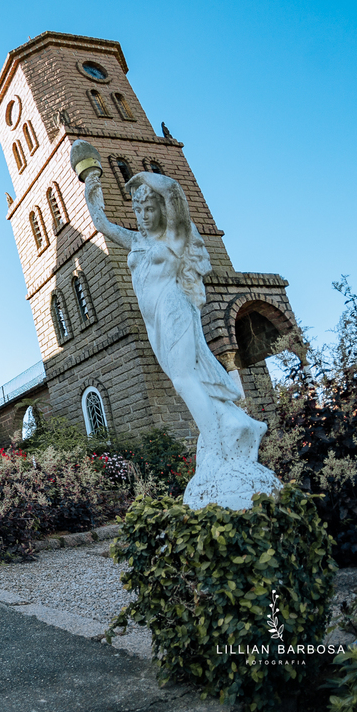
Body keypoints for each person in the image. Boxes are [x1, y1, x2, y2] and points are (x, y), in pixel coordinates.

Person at [82, 168, 279, 508]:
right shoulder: (137, 240)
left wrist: (143, 177)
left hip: (174, 307)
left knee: (185, 378)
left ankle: (215, 449)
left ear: (160, 210)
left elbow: (174, 192)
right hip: (154, 320)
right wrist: (91, 189)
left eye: (150, 209)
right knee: (185, 378)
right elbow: (102, 224)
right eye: (139, 210)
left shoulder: (172, 237)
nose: (144, 216)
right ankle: (234, 426)